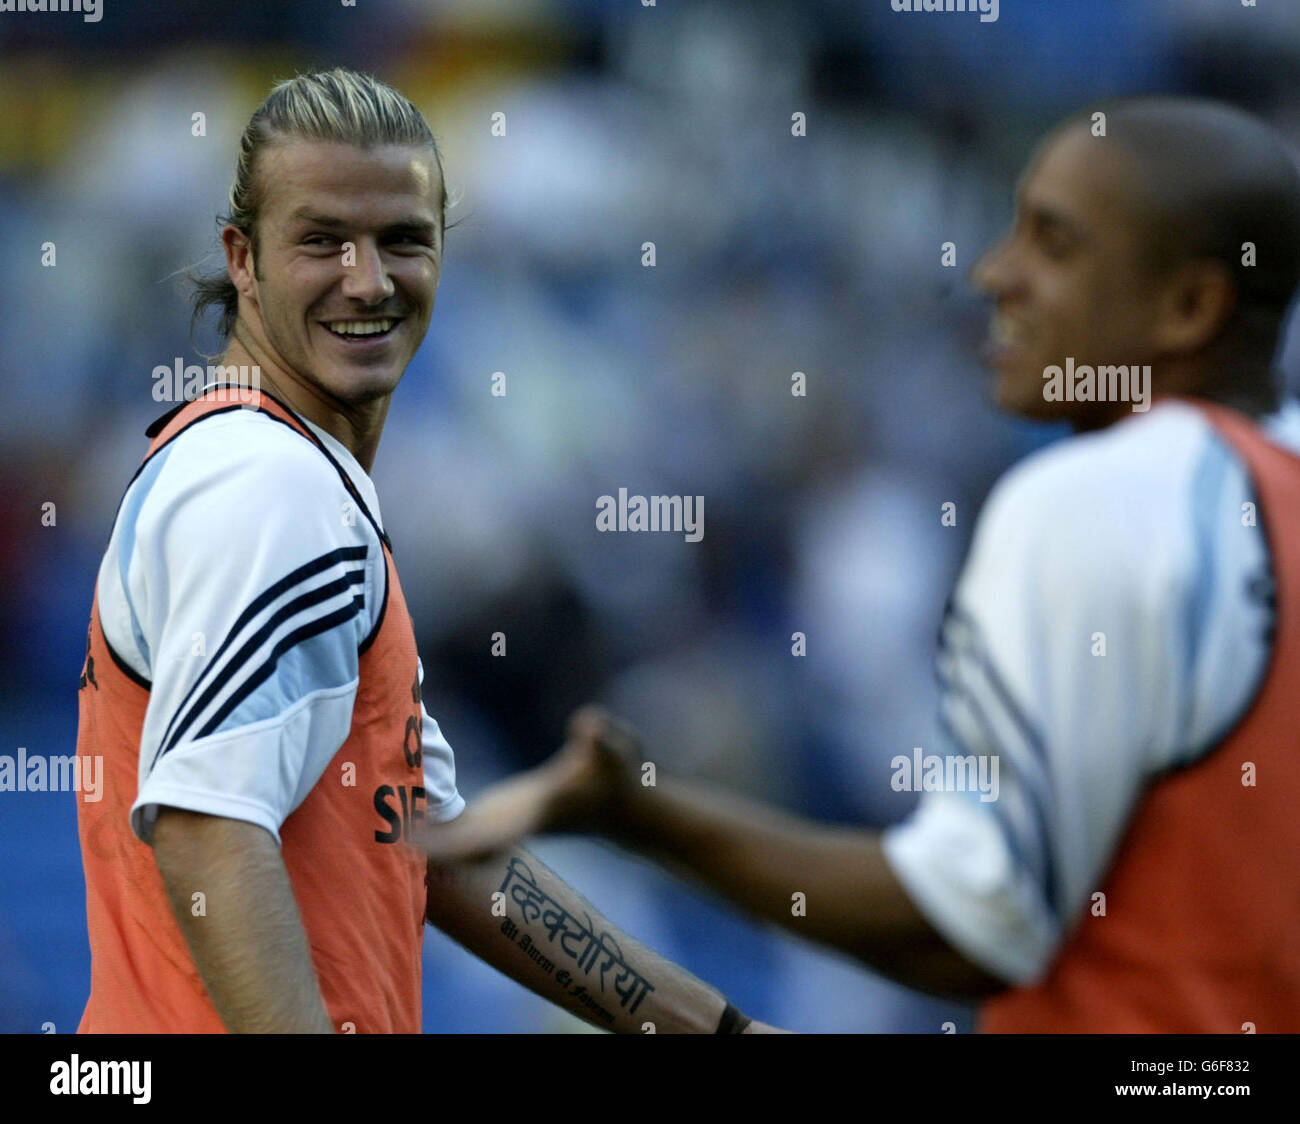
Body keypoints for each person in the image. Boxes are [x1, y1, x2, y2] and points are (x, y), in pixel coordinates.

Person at [422, 96, 1300, 1032]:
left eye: (1054, 244)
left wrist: (640, 814)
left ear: (1192, 305)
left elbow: (969, 927)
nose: (993, 274)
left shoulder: (1092, 494)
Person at [74, 67, 773, 1035]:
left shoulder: (275, 469)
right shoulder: (268, 485)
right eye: (322, 240)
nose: (368, 278)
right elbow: (209, 832)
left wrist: (720, 1030)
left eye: (402, 239)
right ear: (243, 258)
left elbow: (435, 844)